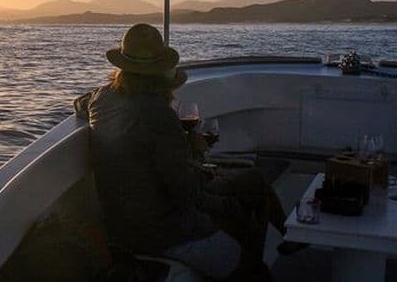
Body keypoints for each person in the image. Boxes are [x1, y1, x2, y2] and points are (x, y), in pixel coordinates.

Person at [73, 23, 291, 281]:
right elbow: (186, 192)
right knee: (255, 267)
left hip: (123, 220)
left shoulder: (101, 97)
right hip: (161, 231)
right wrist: (200, 158)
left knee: (253, 181)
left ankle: (287, 237)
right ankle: (253, 260)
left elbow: (80, 103)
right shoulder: (159, 116)